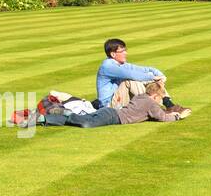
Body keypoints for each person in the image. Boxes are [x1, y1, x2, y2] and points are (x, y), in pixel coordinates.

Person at [27, 79, 191, 128]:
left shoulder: (142, 97)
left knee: (85, 120)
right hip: (113, 116)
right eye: (160, 98)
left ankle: (43, 119)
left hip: (111, 113)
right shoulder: (150, 103)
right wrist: (178, 116)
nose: (161, 101)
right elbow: (162, 117)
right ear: (155, 96)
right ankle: (63, 113)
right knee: (86, 123)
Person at [97, 38, 173, 109]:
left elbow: (145, 69)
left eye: (125, 50)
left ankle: (168, 103)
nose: (125, 53)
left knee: (147, 76)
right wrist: (153, 77)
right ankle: (150, 106)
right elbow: (131, 74)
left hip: (120, 99)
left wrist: (160, 76)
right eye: (122, 51)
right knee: (130, 81)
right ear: (113, 54)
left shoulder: (121, 64)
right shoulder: (108, 66)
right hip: (109, 105)